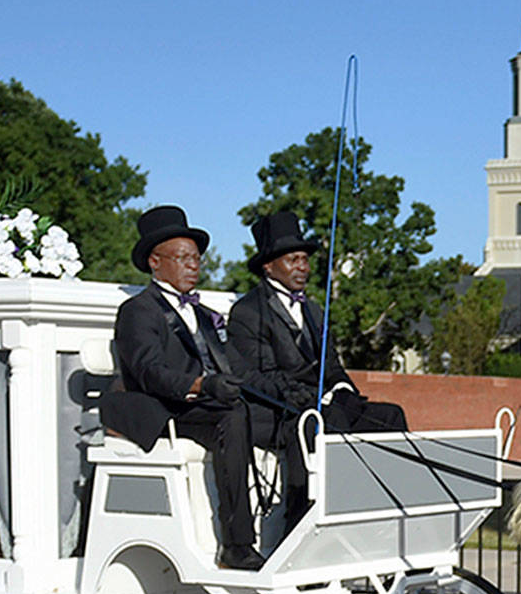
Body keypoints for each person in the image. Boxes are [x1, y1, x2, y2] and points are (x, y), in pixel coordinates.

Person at [105, 205, 264, 571]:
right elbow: (148, 371)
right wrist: (201, 384)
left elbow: (238, 366)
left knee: (284, 420)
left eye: (196, 258)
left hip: (206, 404)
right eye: (182, 258)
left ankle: (291, 524)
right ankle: (237, 544)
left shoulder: (204, 313)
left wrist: (285, 395)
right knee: (232, 416)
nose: (193, 265)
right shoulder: (138, 310)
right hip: (164, 408)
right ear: (155, 262)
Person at [228, 210, 409, 530]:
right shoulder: (248, 311)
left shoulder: (313, 309)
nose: (303, 267)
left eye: (305, 259)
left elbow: (332, 365)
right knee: (329, 420)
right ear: (269, 266)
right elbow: (259, 378)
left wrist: (342, 390)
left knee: (390, 416)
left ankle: (388, 512)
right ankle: (303, 522)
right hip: (275, 410)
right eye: (293, 260)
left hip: (319, 404)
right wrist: (317, 399)